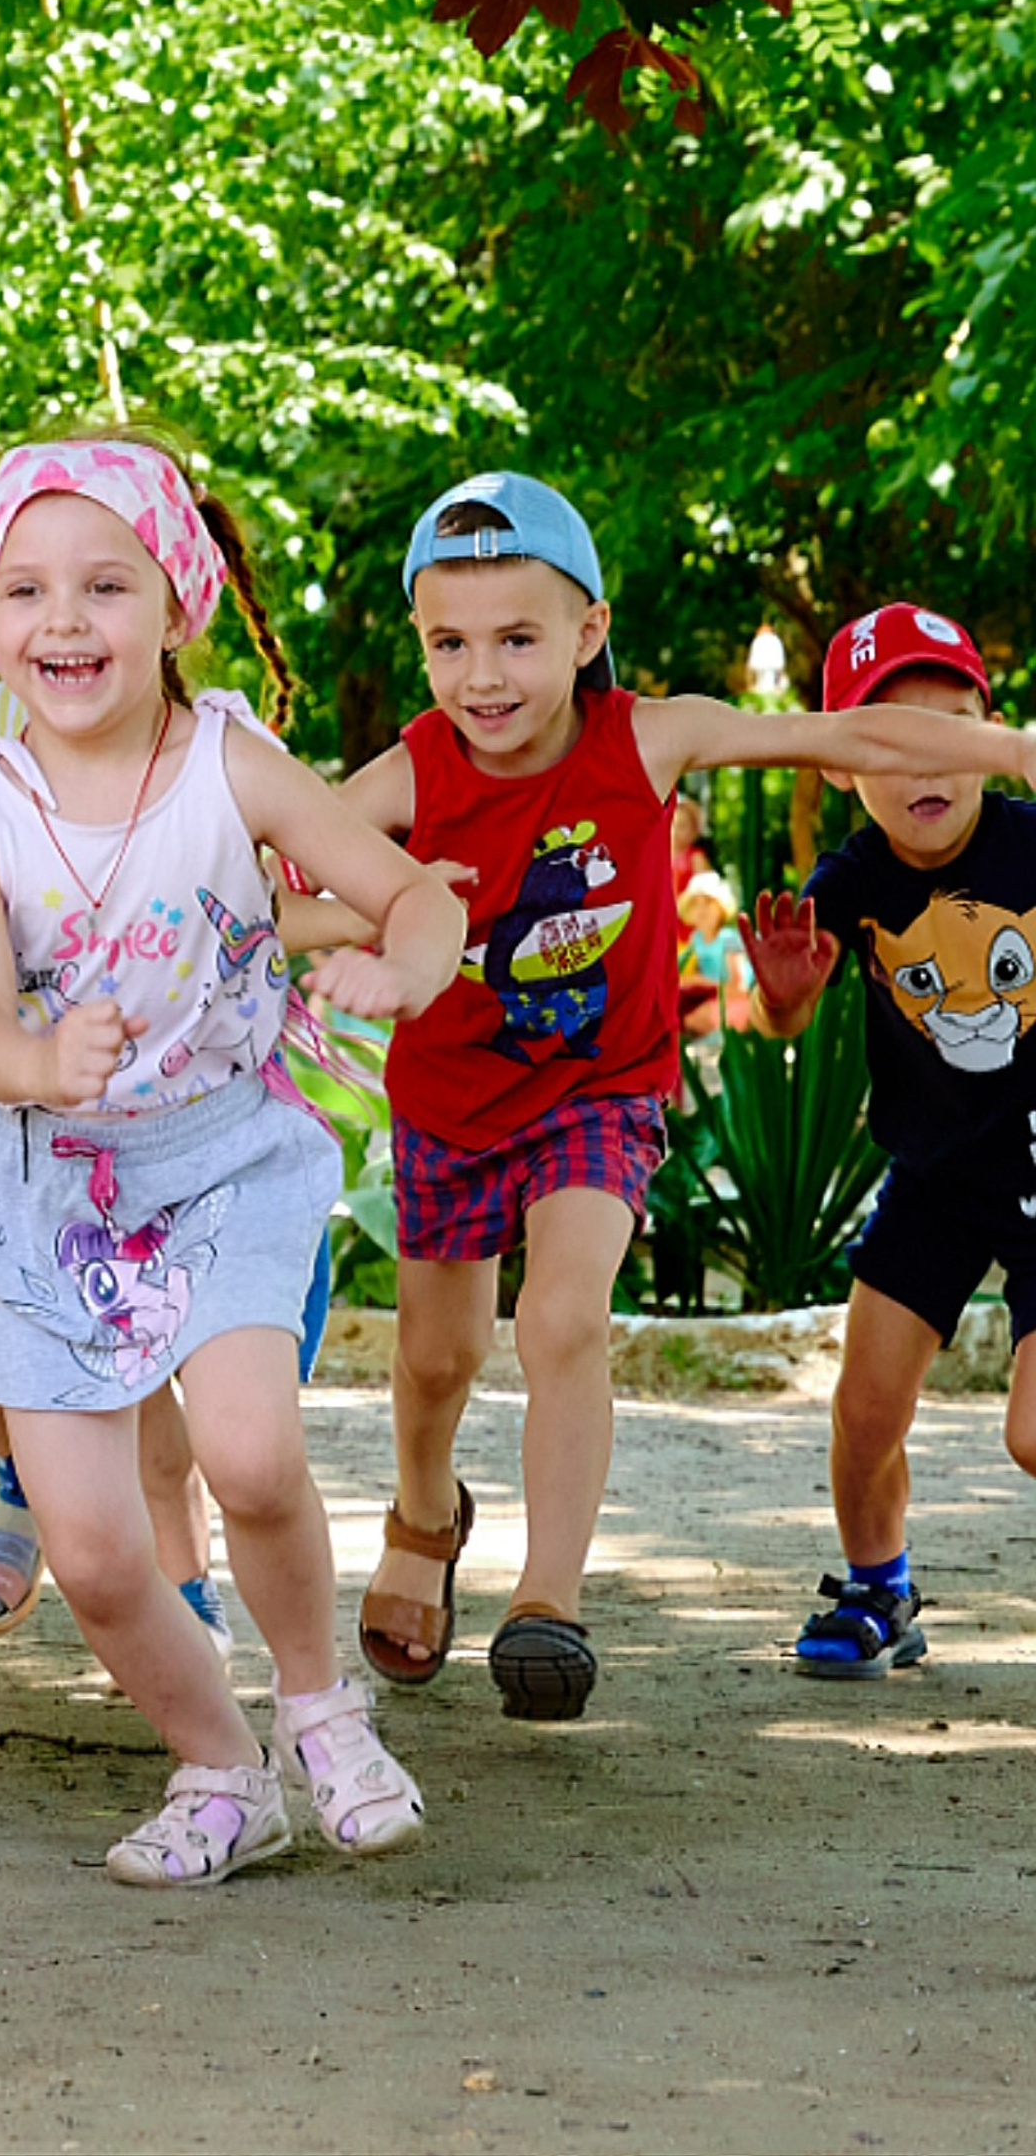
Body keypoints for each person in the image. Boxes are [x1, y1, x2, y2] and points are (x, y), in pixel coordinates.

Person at [341, 476, 1036, 1721]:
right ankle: (423, 1510)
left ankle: (546, 1599)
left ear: (588, 632)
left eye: (516, 639)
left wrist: (1016, 752)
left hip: (599, 1089)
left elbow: (856, 741)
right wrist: (352, 928)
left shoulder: (647, 738)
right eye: (448, 643)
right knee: (436, 1355)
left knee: (561, 1314)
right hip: (449, 1095)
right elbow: (280, 864)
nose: (482, 675)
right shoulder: (410, 773)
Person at [0, 435, 465, 1886]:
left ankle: (321, 1713)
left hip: (223, 1158)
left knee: (245, 1448)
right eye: (27, 590)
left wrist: (404, 966)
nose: (64, 621)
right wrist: (37, 1062)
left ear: (180, 603)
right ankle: (221, 1770)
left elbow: (411, 893)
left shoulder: (233, 763)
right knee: (95, 1552)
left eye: (106, 585)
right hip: (45, 1195)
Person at [742, 604, 1036, 1678]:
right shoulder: (854, 878)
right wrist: (781, 1000)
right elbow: (784, 1009)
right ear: (839, 763)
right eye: (886, 741)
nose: (923, 763)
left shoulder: (1028, 839)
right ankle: (878, 1588)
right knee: (863, 1408)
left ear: (989, 734)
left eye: (947, 732)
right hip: (937, 1171)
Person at [676, 868, 754, 1039]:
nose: (702, 910)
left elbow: (739, 986)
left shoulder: (729, 938)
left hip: (737, 1000)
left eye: (709, 902)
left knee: (694, 1019)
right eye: (696, 903)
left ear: (721, 907)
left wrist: (702, 983)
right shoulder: (695, 940)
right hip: (711, 998)